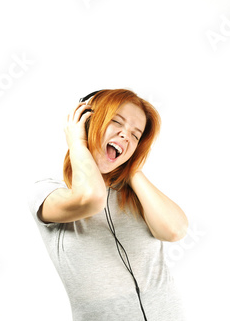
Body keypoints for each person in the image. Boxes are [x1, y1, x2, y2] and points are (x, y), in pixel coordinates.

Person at [29, 89, 188, 320]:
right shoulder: (47, 191)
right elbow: (91, 199)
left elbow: (175, 231)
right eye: (116, 122)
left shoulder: (136, 194)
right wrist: (77, 144)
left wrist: (132, 168)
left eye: (135, 135)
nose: (125, 136)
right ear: (86, 124)